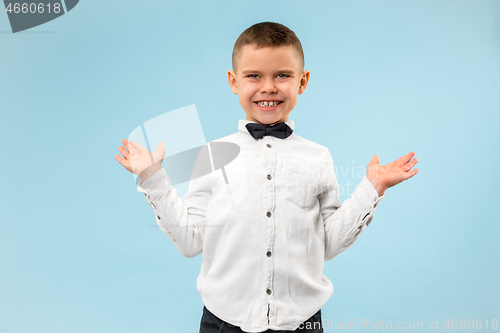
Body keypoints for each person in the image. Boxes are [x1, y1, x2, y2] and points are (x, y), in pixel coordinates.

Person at [115, 22, 418, 333]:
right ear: (234, 81)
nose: (269, 87)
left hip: (302, 322)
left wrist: (372, 188)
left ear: (303, 81)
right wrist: (152, 178)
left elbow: (327, 244)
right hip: (224, 321)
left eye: (282, 75)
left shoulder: (318, 157)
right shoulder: (211, 155)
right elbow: (190, 241)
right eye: (254, 76)